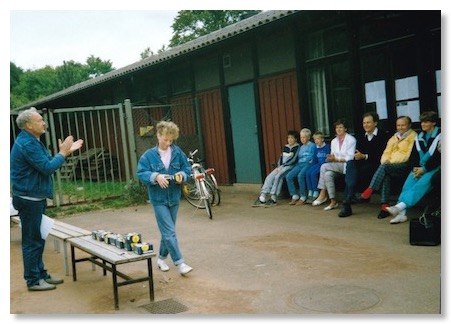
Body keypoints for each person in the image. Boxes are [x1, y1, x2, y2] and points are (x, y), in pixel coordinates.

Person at [10, 107, 84, 291]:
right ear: (28, 125)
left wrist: (63, 152)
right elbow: (47, 167)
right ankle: (33, 280)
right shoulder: (28, 144)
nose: (44, 123)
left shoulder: (32, 141)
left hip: (33, 197)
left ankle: (40, 273)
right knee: (32, 240)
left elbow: (46, 162)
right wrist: (63, 152)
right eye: (39, 120)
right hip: (29, 199)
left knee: (39, 237)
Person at [137, 120, 193, 275]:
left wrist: (182, 175)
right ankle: (180, 263)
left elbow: (186, 168)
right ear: (158, 135)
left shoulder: (177, 152)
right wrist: (156, 176)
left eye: (171, 140)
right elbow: (141, 173)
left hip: (174, 198)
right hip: (158, 199)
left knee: (168, 232)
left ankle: (161, 258)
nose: (168, 143)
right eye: (165, 139)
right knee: (169, 232)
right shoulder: (148, 156)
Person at [387, 111, 441, 224]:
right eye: (422, 122)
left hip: (437, 167)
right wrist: (416, 168)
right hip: (421, 167)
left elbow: (438, 157)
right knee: (408, 183)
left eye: (426, 122)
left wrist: (424, 169)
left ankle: (400, 206)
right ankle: (402, 214)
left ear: (434, 123)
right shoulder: (420, 137)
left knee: (423, 183)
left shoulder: (441, 136)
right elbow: (414, 156)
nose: (423, 124)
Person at [358, 116, 417, 219]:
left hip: (405, 165)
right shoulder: (394, 137)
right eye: (398, 125)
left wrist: (390, 162)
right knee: (385, 174)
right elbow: (387, 151)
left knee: (384, 168)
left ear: (409, 125)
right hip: (390, 165)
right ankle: (384, 206)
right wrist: (385, 161)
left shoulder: (413, 137)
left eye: (403, 125)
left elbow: (407, 155)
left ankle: (369, 190)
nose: (400, 127)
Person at [338, 112, 390, 217]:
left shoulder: (383, 136)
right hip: (363, 165)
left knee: (383, 173)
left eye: (368, 122)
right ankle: (347, 203)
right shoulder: (360, 137)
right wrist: (356, 156)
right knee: (350, 165)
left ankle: (384, 207)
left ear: (375, 123)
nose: (365, 125)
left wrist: (365, 156)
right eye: (364, 123)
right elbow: (358, 153)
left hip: (377, 165)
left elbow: (383, 155)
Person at [312, 118, 356, 211]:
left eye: (341, 127)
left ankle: (322, 193)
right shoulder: (334, 141)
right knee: (327, 175)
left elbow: (351, 158)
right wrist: (331, 158)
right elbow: (333, 156)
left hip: (347, 166)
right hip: (336, 165)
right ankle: (333, 201)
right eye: (337, 128)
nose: (338, 129)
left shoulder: (351, 139)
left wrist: (337, 159)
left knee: (324, 166)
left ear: (345, 129)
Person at [252, 130, 300, 207]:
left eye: (292, 138)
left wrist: (283, 165)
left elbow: (293, 159)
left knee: (278, 177)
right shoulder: (286, 147)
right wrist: (279, 166)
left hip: (290, 166)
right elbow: (281, 157)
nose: (290, 140)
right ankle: (262, 196)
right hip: (281, 167)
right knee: (270, 176)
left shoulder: (297, 147)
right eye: (288, 138)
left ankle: (273, 198)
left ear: (296, 139)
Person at [286, 128, 316, 205]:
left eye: (304, 137)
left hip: (308, 164)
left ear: (308, 137)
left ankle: (303, 196)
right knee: (289, 176)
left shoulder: (312, 146)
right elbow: (298, 158)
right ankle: (294, 195)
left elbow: (312, 157)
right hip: (300, 164)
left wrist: (308, 161)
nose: (302, 139)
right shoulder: (301, 147)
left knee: (300, 176)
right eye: (301, 137)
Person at [305, 131, 330, 204]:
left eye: (318, 139)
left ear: (322, 139)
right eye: (315, 139)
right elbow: (314, 159)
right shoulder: (316, 148)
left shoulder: (327, 147)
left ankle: (316, 192)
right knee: (308, 173)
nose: (316, 141)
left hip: (324, 164)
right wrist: (312, 167)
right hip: (318, 164)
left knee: (313, 174)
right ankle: (310, 191)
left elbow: (328, 157)